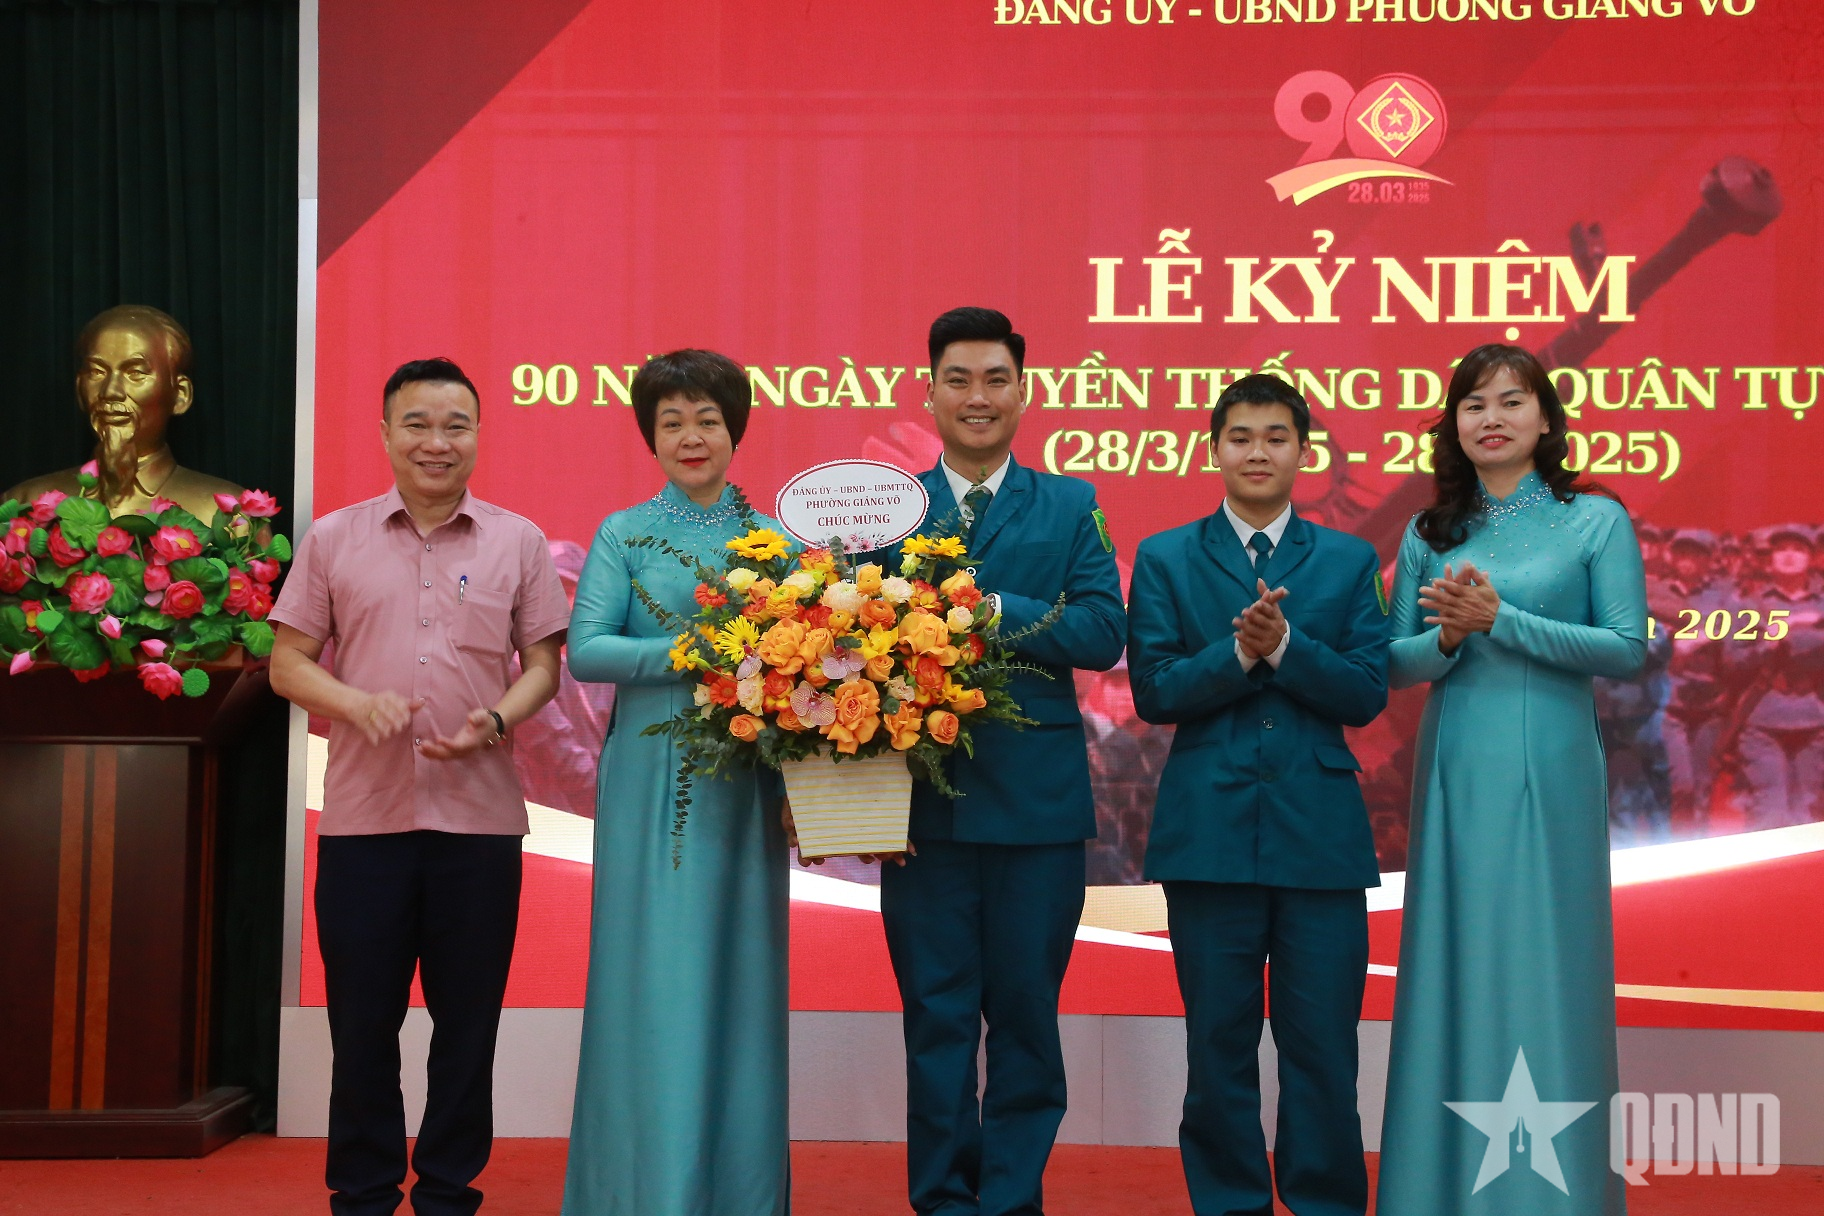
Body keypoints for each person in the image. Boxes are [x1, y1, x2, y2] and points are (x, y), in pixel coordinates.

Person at [269, 357, 569, 1216]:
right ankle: (361, 1195)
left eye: (455, 425)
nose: (437, 443)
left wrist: (497, 720)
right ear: (386, 433)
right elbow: (287, 664)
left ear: (478, 434)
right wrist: (355, 703)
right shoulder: (333, 538)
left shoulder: (516, 539)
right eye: (418, 424)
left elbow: (544, 665)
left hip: (479, 826)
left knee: (466, 1031)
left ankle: (446, 1192)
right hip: (363, 823)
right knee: (362, 1030)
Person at [1376, 344, 1646, 1216]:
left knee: (1547, 963)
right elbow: (1393, 665)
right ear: (1452, 424)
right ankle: (1436, 1187)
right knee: (1453, 962)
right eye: (1472, 405)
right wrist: (1451, 639)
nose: (1490, 418)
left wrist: (1503, 619)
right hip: (1456, 771)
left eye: (1510, 401)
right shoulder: (1430, 532)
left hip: (1555, 772)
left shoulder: (1593, 520)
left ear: (1545, 419)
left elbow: (1627, 649)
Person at [875, 307, 1125, 1216]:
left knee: (1024, 1021)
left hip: (1037, 810)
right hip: (918, 809)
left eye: (995, 380)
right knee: (937, 1020)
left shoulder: (1071, 504)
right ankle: (942, 1200)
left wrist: (988, 605)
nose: (976, 398)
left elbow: (1101, 629)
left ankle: (1012, 1199)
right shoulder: (887, 508)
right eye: (958, 380)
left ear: (1024, 390)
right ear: (930, 391)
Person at [1126, 373, 1389, 1216]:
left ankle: (1324, 1203)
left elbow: (1365, 692)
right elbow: (1156, 690)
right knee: (1219, 1046)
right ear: (1214, 450)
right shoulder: (1167, 555)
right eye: (1241, 437)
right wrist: (1241, 657)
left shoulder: (1347, 560)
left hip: (1320, 841)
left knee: (1322, 1049)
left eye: (1277, 437)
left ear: (1302, 454)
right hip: (1208, 836)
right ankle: (1230, 1202)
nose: (1258, 453)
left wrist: (1287, 648)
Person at [560, 350, 790, 1216]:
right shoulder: (622, 532)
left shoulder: (775, 540)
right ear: (649, 436)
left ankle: (736, 1193)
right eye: (671, 423)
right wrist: (701, 654)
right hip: (651, 777)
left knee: (740, 977)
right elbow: (588, 650)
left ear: (735, 428)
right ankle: (641, 1192)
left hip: (745, 785)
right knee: (649, 975)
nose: (691, 437)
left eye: (706, 419)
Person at [5, 304, 243, 521]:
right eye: (97, 372)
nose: (111, 391)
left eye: (135, 373)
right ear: (79, 388)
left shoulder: (230, 516)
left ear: (180, 395)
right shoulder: (23, 505)